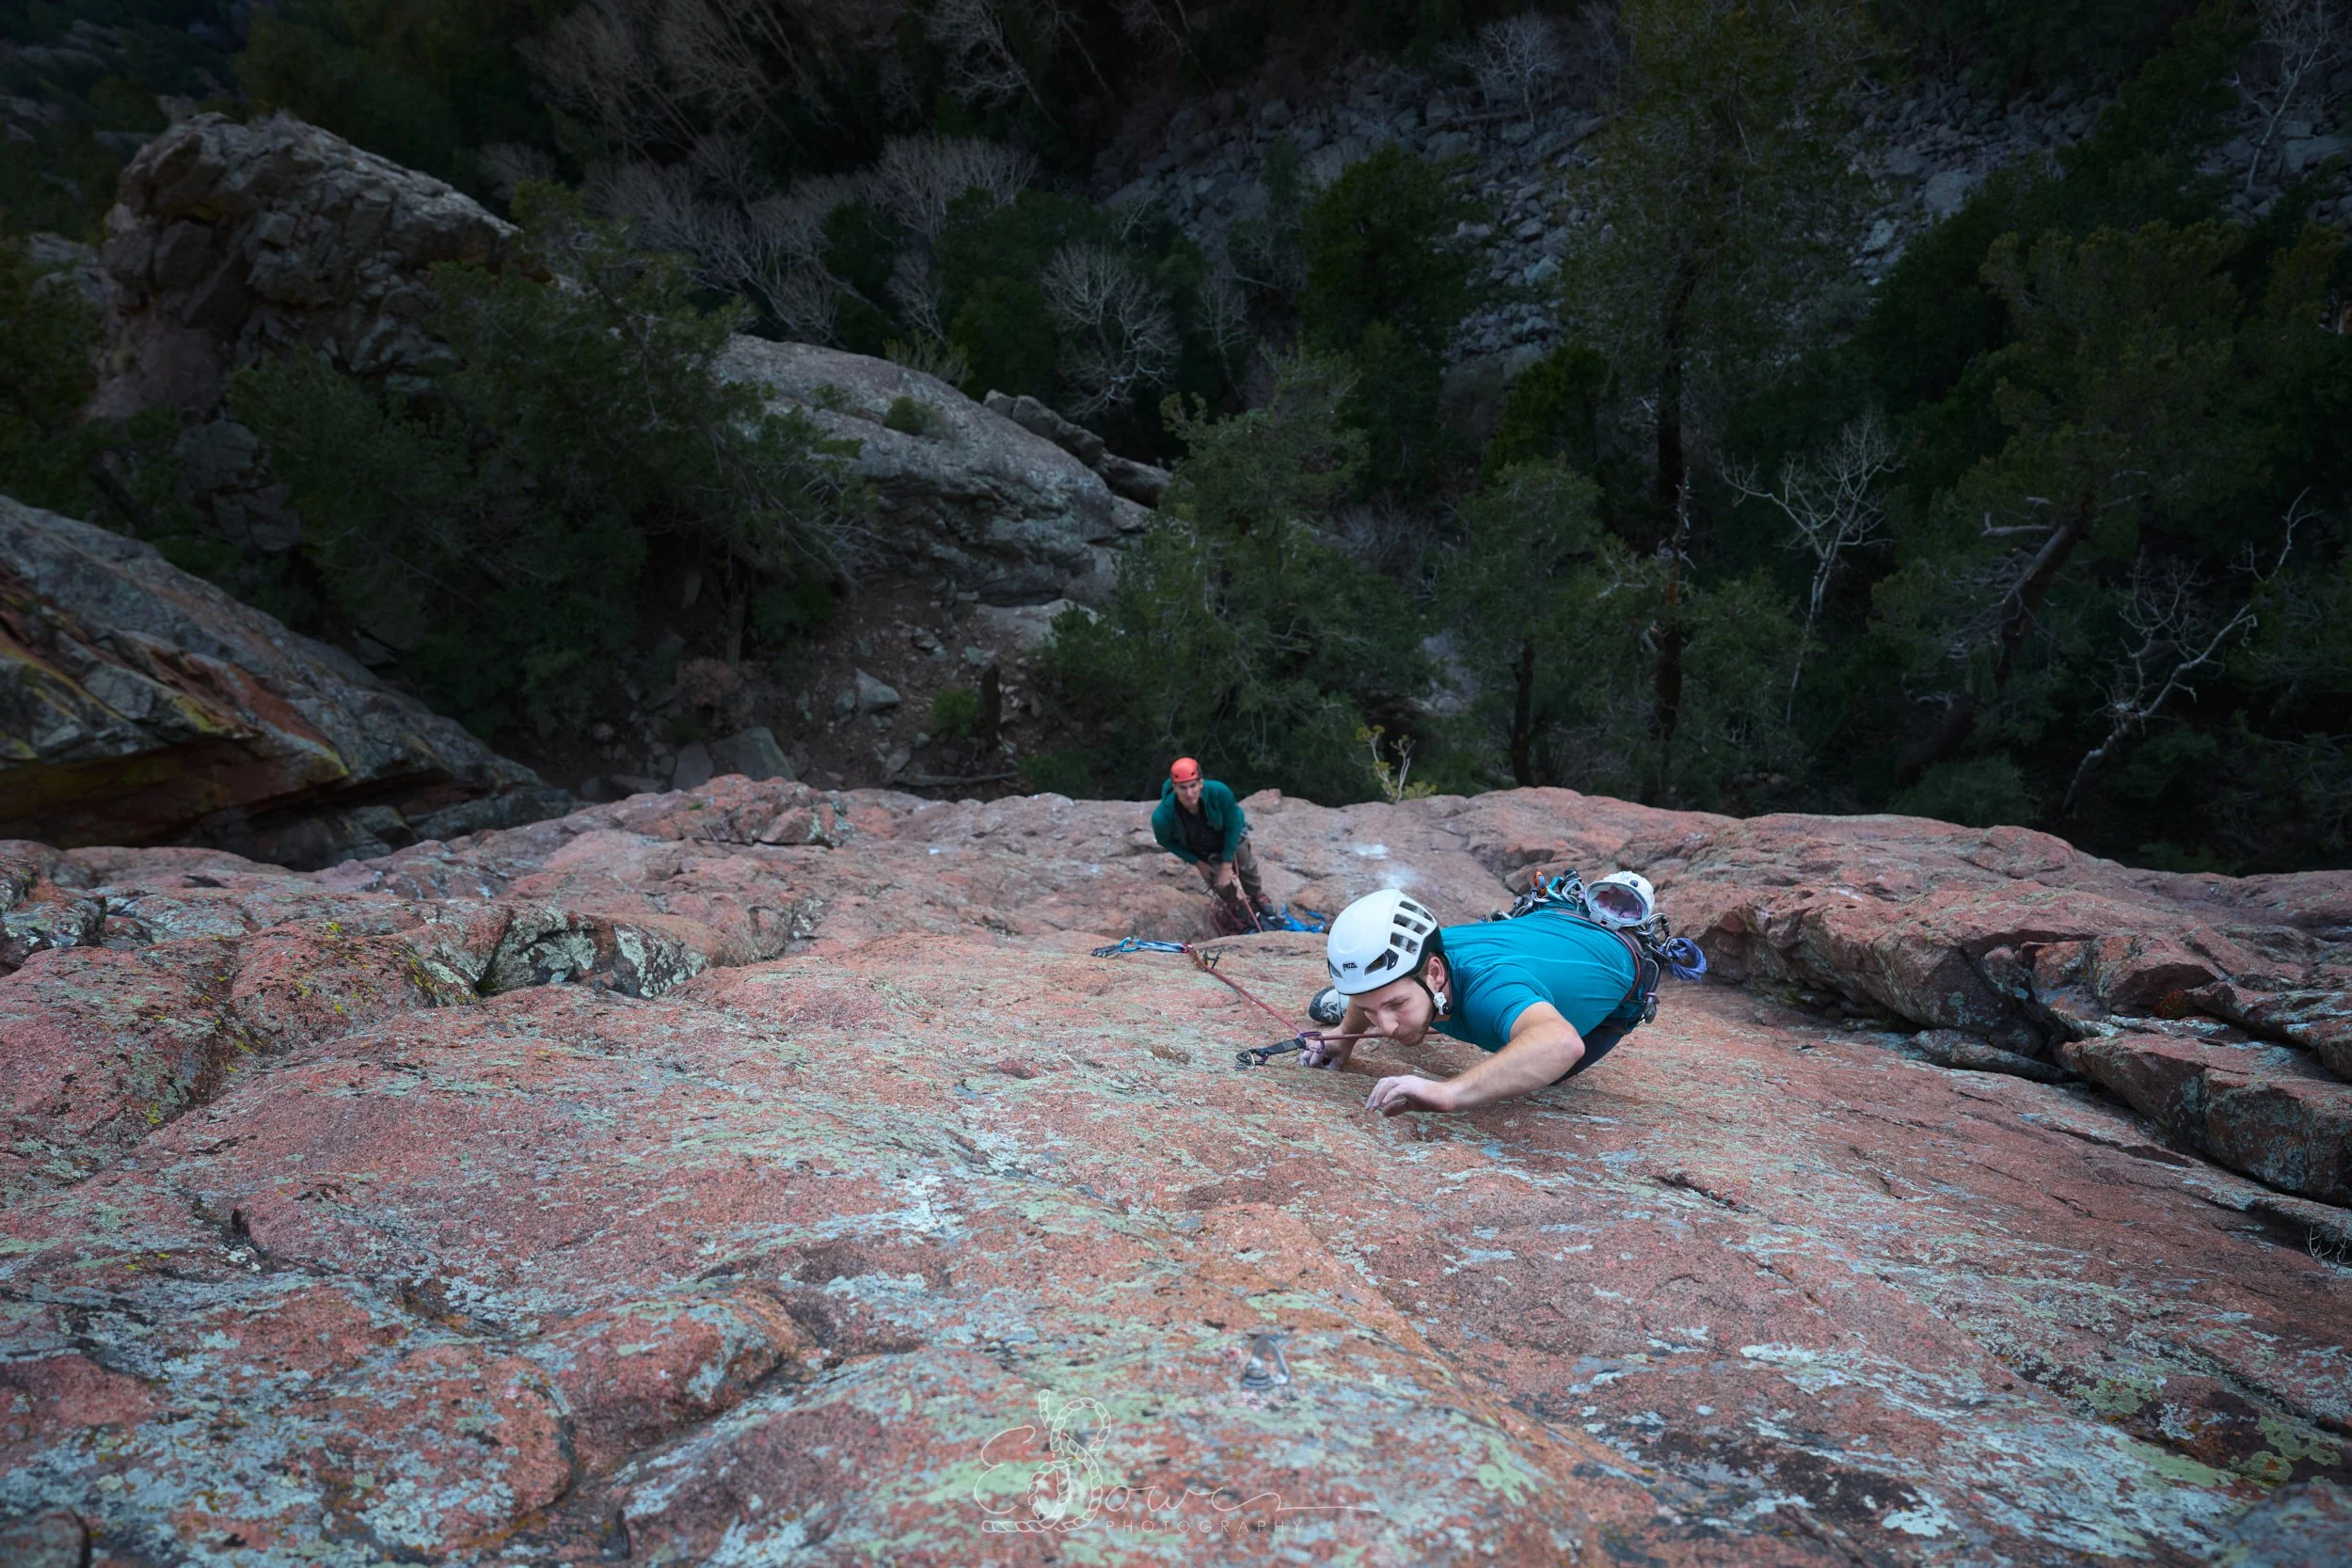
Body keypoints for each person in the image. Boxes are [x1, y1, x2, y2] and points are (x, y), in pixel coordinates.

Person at [1305, 888, 1653, 1115]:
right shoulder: (1427, 953)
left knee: (1538, 1071)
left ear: (1435, 972)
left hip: (1621, 971)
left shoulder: (1489, 991)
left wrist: (1450, 1092)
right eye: (1368, 1009)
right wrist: (1344, 1035)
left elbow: (1561, 1044)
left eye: (1396, 1004)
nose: (1386, 1027)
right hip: (1551, 924)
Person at [1151, 757, 1276, 923]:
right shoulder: (1163, 817)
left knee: (1245, 861)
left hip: (1229, 836)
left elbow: (1233, 824)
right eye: (1183, 788)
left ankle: (1256, 894)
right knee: (1218, 881)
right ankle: (1233, 903)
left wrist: (1226, 864)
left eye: (1193, 786)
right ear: (1174, 788)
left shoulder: (1219, 792)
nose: (1189, 793)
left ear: (1201, 783)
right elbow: (1165, 841)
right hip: (1202, 848)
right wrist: (1198, 863)